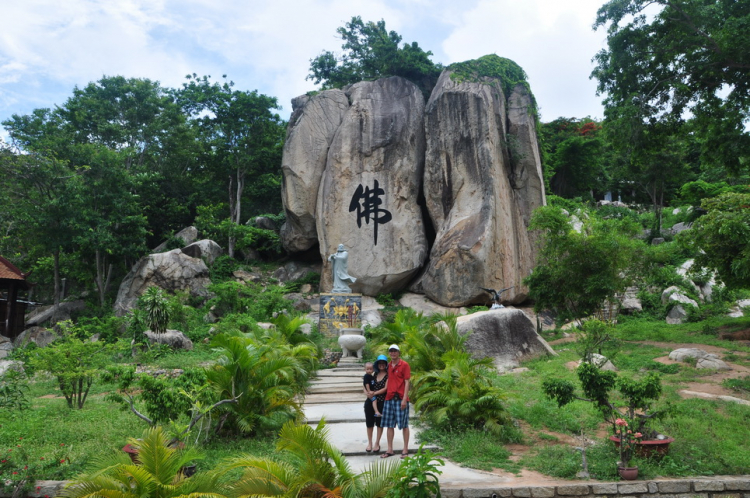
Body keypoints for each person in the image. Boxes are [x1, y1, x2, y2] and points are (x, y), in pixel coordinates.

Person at [380, 344, 411, 459]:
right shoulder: (388, 366)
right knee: (389, 425)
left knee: (404, 425)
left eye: (395, 351)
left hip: (401, 399)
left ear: (399, 352)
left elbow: (407, 382)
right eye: (391, 351)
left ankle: (405, 449)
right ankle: (390, 449)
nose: (393, 353)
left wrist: (404, 399)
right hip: (389, 398)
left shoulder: (404, 365)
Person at [364, 355, 388, 453]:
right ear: (377, 365)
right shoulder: (373, 374)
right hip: (370, 401)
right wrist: (367, 393)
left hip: (381, 402)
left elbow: (386, 388)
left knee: (379, 423)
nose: (381, 365)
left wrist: (374, 393)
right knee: (369, 423)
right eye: (379, 363)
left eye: (383, 363)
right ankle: (370, 442)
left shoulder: (388, 375)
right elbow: (364, 385)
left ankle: (377, 443)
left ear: (386, 364)